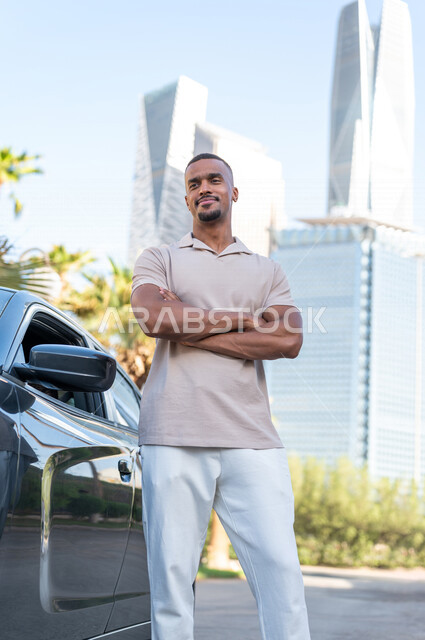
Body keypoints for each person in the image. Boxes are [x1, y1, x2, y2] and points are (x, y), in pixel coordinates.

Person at [131, 153, 311, 640]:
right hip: (172, 435)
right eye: (194, 183)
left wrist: (189, 324)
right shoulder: (160, 258)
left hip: (252, 440)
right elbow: (152, 317)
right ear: (188, 197)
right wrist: (247, 319)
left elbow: (289, 340)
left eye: (214, 179)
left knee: (282, 576)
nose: (203, 187)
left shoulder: (266, 270)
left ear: (233, 193)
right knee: (171, 583)